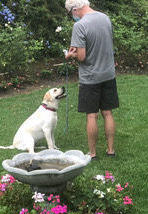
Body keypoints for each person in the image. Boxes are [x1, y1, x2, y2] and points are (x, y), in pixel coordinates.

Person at [65, 0, 119, 160]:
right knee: (108, 113)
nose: (72, 16)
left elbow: (81, 56)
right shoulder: (105, 18)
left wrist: (71, 55)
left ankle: (93, 153)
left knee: (92, 116)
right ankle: (110, 150)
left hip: (90, 77)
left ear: (75, 9)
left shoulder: (79, 26)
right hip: (108, 74)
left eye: (71, 13)